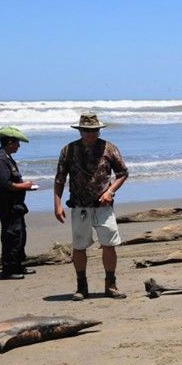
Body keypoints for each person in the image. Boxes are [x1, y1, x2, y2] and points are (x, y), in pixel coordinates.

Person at [53, 113, 129, 300]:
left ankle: (111, 285)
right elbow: (60, 179)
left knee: (109, 245)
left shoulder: (108, 148)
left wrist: (110, 191)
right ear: (80, 131)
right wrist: (57, 204)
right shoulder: (68, 150)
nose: (90, 134)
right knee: (79, 246)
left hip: (103, 206)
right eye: (86, 130)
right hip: (80, 206)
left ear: (98, 130)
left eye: (94, 130)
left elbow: (123, 173)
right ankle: (81, 287)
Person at [0, 126, 37, 280]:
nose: (19, 145)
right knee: (11, 236)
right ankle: (8, 269)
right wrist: (24, 186)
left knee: (20, 235)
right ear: (9, 142)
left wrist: (25, 186)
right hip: (8, 206)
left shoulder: (7, 158)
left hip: (16, 205)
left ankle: (18, 265)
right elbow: (5, 184)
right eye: (17, 142)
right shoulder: (0, 159)